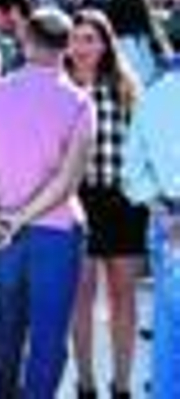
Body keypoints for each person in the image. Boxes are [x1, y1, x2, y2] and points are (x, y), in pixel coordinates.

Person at [0, 9, 94, 399]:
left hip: (2, 227)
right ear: (67, 47)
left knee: (7, 321)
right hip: (55, 231)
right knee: (49, 332)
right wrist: (19, 218)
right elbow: (67, 182)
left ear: (26, 41)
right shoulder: (79, 102)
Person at [66, 10, 145, 399]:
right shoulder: (60, 85)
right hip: (75, 198)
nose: (81, 47)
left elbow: (143, 144)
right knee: (80, 295)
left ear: (105, 43)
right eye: (76, 38)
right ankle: (85, 384)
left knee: (123, 295)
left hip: (123, 200)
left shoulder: (126, 85)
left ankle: (122, 385)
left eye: (90, 39)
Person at [120, 67, 180, 399]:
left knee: (169, 342)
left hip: (167, 224)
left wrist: (164, 214)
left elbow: (132, 175)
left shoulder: (155, 94)